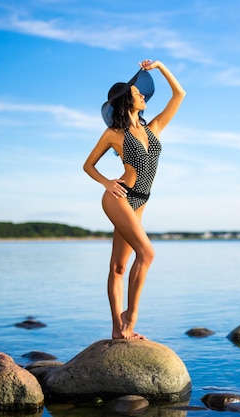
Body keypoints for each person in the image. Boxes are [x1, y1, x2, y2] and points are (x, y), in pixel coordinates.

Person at [83, 60, 185, 339]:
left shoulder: (153, 128)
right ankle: (130, 317)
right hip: (119, 197)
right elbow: (88, 165)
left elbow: (180, 95)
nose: (142, 95)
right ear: (126, 99)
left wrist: (161, 67)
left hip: (141, 201)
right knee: (147, 253)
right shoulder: (114, 134)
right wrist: (107, 182)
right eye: (138, 92)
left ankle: (117, 331)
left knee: (118, 266)